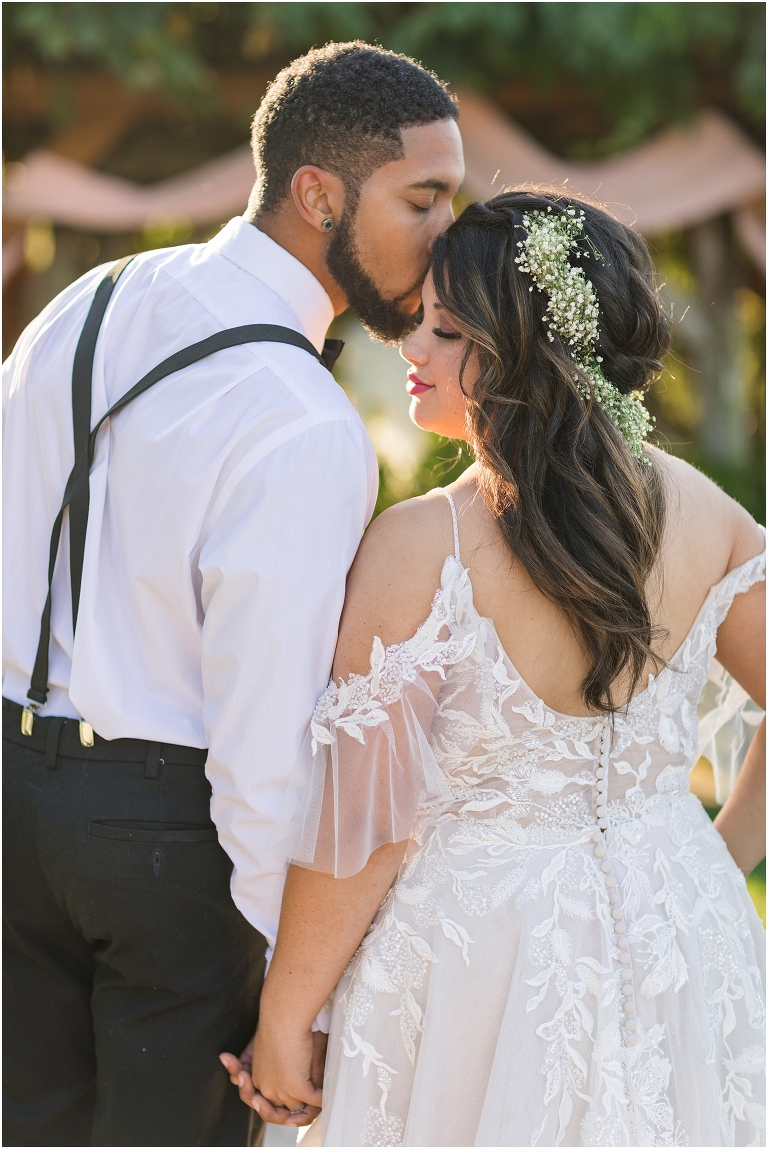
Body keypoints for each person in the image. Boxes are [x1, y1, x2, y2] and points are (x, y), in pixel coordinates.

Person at [229, 190, 766, 1146]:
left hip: (478, 972)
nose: (411, 348)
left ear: (522, 352)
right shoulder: (706, 512)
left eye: (442, 327)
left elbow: (365, 832)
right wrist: (717, 855)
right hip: (682, 933)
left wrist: (284, 1016)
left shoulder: (419, 546)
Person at [2, 42, 464, 1147]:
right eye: (424, 198)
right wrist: (283, 988)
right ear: (318, 193)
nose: (447, 235)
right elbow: (263, 734)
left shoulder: (90, 301)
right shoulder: (301, 422)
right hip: (169, 845)